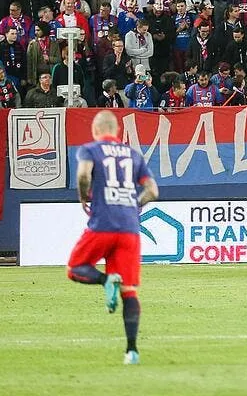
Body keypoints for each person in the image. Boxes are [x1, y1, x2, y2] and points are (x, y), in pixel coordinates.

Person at [66, 111, 159, 365]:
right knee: (129, 292)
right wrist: (134, 206)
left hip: (102, 223)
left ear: (96, 130)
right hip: (129, 229)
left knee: (75, 268)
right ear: (116, 130)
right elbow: (152, 190)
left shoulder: (90, 149)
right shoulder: (134, 154)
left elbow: (84, 175)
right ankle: (132, 351)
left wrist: (84, 196)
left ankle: (107, 280)